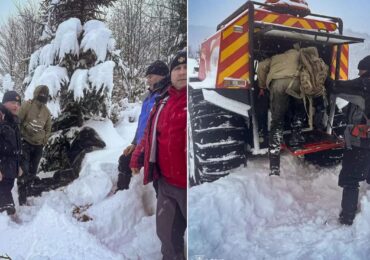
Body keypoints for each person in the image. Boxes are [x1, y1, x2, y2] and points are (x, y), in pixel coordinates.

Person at [130, 50, 187, 260]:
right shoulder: (162, 101)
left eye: (185, 68)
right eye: (177, 68)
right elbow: (148, 131)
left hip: (187, 186)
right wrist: (137, 153)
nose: (182, 72)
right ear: (171, 74)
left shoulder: (194, 101)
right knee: (167, 236)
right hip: (165, 184)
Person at [328, 55, 370, 225]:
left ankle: (347, 218)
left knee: (351, 179)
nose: (359, 73)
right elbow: (355, 106)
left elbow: (336, 86)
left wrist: (323, 76)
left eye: (361, 70)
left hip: (362, 143)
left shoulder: (365, 84)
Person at [116, 60, 170, 192]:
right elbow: (143, 122)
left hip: (154, 147)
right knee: (124, 159)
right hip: (142, 143)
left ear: (162, 75)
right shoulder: (149, 97)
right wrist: (135, 143)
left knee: (158, 179)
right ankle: (123, 193)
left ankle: (152, 202)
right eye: (147, 77)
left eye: (150, 76)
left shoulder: (165, 95)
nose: (148, 80)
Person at [257, 47, 306, 176]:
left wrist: (262, 86)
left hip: (278, 84)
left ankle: (274, 165)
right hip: (297, 82)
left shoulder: (275, 57)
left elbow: (261, 66)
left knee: (277, 120)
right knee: (298, 111)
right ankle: (296, 139)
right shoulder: (300, 54)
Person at [17, 85, 52, 205]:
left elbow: (48, 128)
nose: (43, 96)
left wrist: (44, 141)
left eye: (45, 95)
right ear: (37, 93)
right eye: (41, 94)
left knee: (33, 171)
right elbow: (18, 121)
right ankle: (21, 196)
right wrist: (21, 134)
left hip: (38, 146)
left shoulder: (47, 112)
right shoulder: (27, 105)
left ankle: (28, 192)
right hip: (25, 142)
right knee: (24, 170)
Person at [0, 91, 22, 215]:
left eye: (18, 103)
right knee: (6, 211)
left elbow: (15, 146)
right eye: (13, 102)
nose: (16, 106)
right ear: (4, 103)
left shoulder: (14, 121)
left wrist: (18, 165)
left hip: (9, 170)